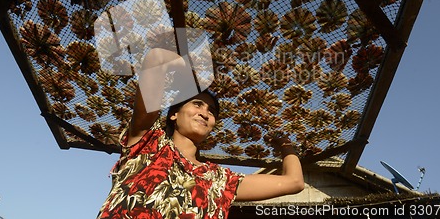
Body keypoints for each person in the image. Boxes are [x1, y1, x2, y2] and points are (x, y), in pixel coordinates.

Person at [97, 48, 304, 219]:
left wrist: (285, 146)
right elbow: (156, 60)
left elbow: (294, 182)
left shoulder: (220, 180)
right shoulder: (148, 144)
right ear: (174, 115)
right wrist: (183, 68)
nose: (204, 113)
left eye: (211, 111)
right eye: (197, 104)